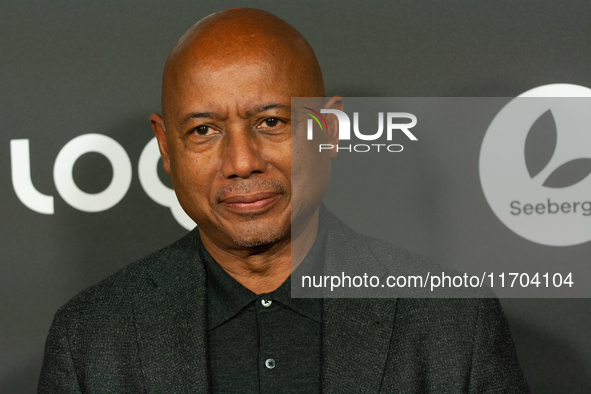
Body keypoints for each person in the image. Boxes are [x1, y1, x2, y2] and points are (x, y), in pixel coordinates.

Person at [38, 8, 530, 393]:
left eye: (271, 122)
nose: (242, 161)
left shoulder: (453, 321)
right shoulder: (91, 339)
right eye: (204, 130)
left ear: (330, 131)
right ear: (167, 148)